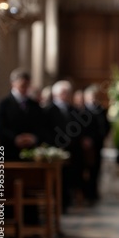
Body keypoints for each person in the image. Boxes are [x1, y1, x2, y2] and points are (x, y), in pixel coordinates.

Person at [43, 80, 85, 211]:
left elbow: (79, 128)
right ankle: (57, 204)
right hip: (55, 150)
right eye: (63, 93)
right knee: (57, 178)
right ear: (56, 94)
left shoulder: (73, 110)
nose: (65, 95)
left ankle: (66, 202)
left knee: (70, 177)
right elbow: (46, 130)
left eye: (67, 93)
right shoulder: (48, 110)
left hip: (72, 150)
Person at [0, 68, 45, 160]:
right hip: (8, 152)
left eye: (27, 85)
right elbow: (1, 127)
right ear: (13, 83)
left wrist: (33, 138)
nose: (25, 88)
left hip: (31, 153)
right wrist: (15, 138)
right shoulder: (4, 104)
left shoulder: (34, 105)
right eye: (22, 85)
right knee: (3, 174)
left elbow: (41, 126)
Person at [82, 85, 110, 204]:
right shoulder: (82, 110)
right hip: (86, 146)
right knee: (86, 169)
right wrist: (85, 139)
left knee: (97, 169)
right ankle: (87, 193)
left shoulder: (101, 110)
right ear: (86, 97)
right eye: (91, 96)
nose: (93, 99)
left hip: (98, 143)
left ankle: (95, 192)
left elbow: (106, 126)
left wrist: (102, 136)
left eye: (95, 96)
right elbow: (81, 128)